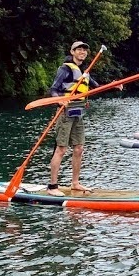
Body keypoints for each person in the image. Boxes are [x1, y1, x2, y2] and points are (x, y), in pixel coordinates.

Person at [47, 41, 102, 194]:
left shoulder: (85, 71)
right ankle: (52, 187)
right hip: (65, 113)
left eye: (84, 50)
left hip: (79, 113)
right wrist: (59, 100)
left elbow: (97, 87)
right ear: (72, 52)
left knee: (79, 148)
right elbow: (53, 89)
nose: (82, 52)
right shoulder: (65, 68)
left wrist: (114, 85)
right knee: (61, 149)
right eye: (79, 49)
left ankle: (75, 183)